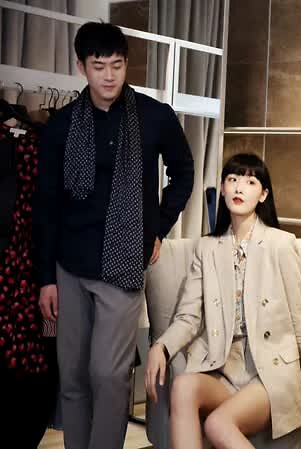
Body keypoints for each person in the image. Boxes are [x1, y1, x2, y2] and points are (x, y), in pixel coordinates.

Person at [36, 22, 194, 449]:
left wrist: (157, 227)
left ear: (127, 65)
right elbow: (46, 206)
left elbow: (183, 173)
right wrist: (46, 278)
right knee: (73, 375)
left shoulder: (154, 116)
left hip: (122, 264)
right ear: (81, 67)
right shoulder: (62, 125)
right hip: (70, 265)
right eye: (98, 66)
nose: (109, 76)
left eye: (117, 65)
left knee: (108, 374)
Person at [144, 153, 301, 449]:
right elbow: (189, 317)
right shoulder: (207, 248)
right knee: (183, 386)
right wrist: (161, 346)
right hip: (224, 368)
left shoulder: (281, 244)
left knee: (217, 424)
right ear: (223, 188)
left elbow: (297, 323)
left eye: (250, 182)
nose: (239, 187)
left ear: (263, 195)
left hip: (269, 373)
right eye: (232, 179)